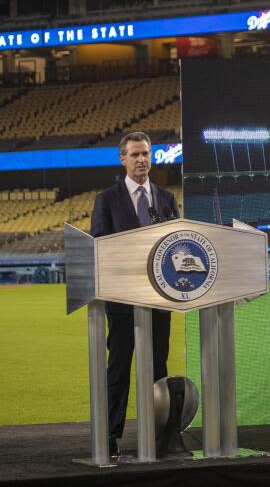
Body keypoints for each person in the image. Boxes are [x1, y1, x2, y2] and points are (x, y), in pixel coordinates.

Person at [90, 131, 179, 457]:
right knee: (119, 369)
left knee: (158, 369)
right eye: (135, 154)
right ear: (122, 158)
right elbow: (100, 246)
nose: (142, 160)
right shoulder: (107, 200)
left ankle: (158, 435)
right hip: (123, 302)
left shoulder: (167, 198)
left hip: (158, 301)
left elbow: (178, 243)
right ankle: (111, 437)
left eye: (146, 154)